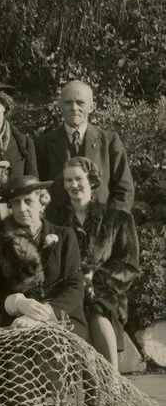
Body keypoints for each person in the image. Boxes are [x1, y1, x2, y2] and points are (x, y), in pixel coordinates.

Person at [48, 157, 140, 370]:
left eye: (79, 178)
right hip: (67, 290)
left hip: (104, 291)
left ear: (91, 180)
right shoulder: (55, 221)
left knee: (98, 310)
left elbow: (129, 265)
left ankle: (113, 384)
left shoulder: (117, 219)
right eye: (68, 180)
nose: (74, 185)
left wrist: (96, 278)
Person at [0, 176, 88, 338]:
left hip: (62, 319)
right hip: (18, 323)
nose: (21, 209)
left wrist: (41, 317)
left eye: (28, 201)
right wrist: (18, 303)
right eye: (16, 202)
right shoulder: (3, 241)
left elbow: (75, 287)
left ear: (42, 203)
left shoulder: (64, 236)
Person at [35, 80, 134, 212]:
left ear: (91, 107)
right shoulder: (43, 143)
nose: (74, 108)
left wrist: (110, 225)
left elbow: (125, 189)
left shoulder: (109, 141)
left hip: (101, 224)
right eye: (68, 102)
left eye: (80, 102)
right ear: (60, 106)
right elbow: (38, 190)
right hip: (59, 226)